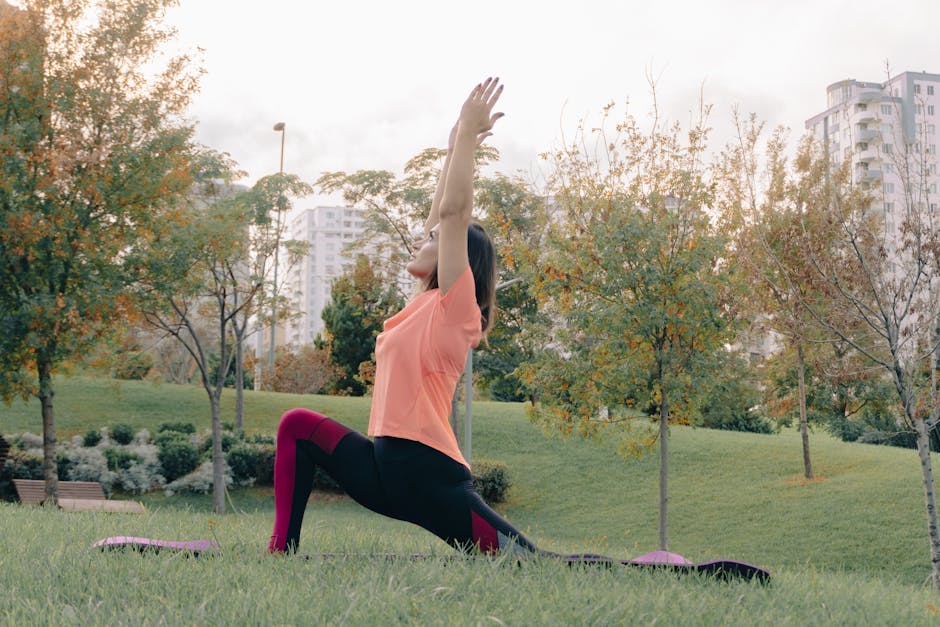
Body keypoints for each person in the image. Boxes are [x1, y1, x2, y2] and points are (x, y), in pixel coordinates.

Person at [267, 78, 542, 557]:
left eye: (432, 240)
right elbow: (442, 214)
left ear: (457, 257)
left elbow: (454, 213)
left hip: (428, 475)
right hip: (384, 467)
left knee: (529, 562)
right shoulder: (422, 306)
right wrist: (457, 141)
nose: (424, 238)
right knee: (296, 425)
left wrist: (467, 152)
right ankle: (280, 551)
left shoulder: (457, 307)